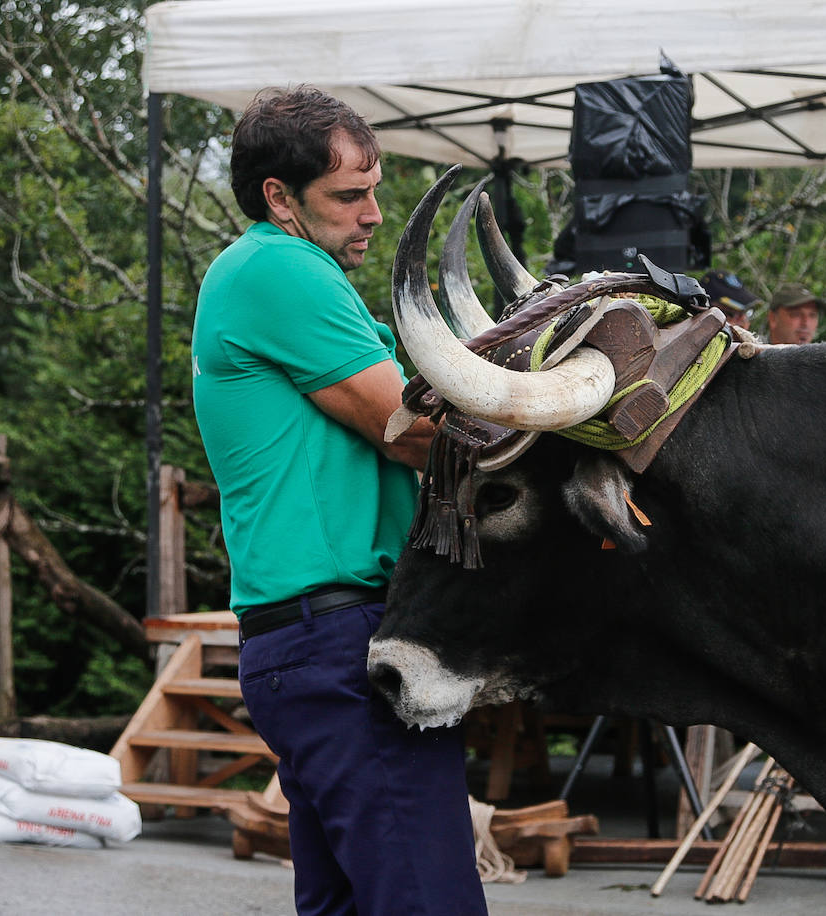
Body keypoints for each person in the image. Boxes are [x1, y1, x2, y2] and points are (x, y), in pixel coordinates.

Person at [191, 86, 486, 916]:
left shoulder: (271, 272)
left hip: (306, 643)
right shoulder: (278, 268)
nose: (372, 214)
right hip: (339, 640)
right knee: (428, 905)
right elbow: (411, 428)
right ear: (280, 197)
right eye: (349, 195)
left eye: (375, 190)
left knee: (349, 905)